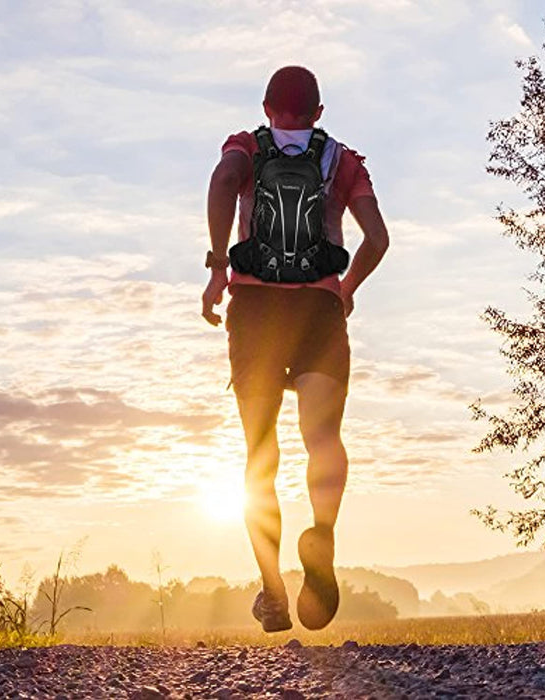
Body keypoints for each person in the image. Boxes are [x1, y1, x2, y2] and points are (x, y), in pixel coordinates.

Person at [201, 66, 389, 632]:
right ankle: (323, 535)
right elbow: (377, 238)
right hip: (318, 315)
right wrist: (345, 290)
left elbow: (220, 181)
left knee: (260, 454)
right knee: (323, 439)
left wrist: (217, 267)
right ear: (319, 112)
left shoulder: (245, 148)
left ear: (266, 107)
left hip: (255, 313)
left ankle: (273, 589)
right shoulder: (342, 160)